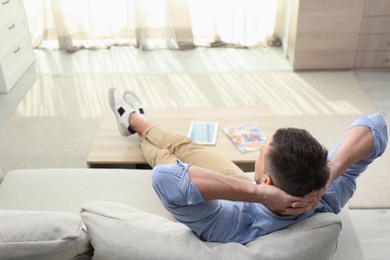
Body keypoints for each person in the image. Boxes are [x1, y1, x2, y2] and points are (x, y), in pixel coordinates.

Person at [108, 88, 388, 244]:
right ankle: (138, 121)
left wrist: (257, 195)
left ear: (266, 182)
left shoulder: (232, 223)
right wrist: (329, 177)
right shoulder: (326, 196)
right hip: (249, 189)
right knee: (188, 145)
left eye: (262, 148)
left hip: (226, 196)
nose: (261, 148)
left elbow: (165, 178)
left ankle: (133, 121)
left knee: (169, 157)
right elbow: (375, 124)